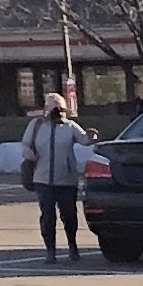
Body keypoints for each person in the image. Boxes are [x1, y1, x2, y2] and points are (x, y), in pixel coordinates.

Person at [19, 80, 93, 259]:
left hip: (66, 179)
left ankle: (72, 246)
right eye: (53, 108)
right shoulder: (37, 125)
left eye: (60, 108)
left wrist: (92, 136)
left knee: (69, 215)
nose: (56, 112)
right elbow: (25, 145)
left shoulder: (70, 126)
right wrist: (28, 153)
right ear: (46, 109)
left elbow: (84, 140)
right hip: (42, 179)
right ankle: (50, 250)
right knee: (47, 216)